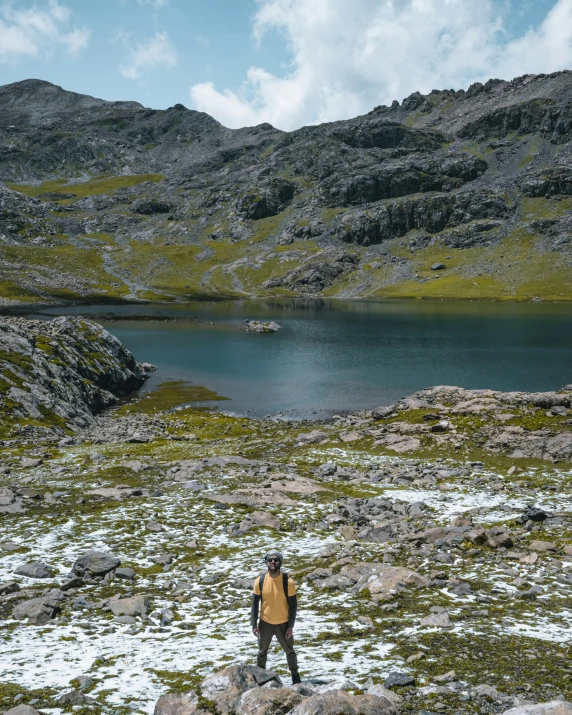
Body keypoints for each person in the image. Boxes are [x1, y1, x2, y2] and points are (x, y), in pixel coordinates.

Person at [250, 549, 301, 684]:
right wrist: (253, 624)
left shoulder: (287, 582)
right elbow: (255, 604)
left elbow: (293, 606)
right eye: (270, 559)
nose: (273, 562)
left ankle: (295, 677)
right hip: (265, 622)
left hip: (283, 623)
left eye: (276, 560)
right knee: (262, 651)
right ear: (266, 562)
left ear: (280, 562)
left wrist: (290, 626)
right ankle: (260, 677)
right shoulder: (259, 581)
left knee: (289, 651)